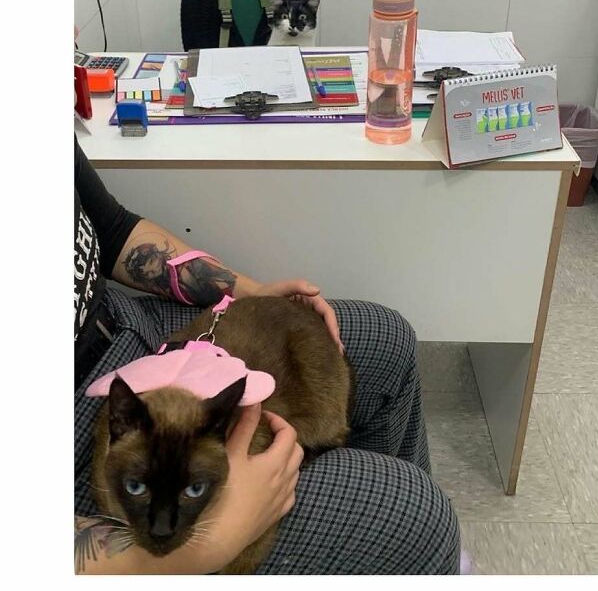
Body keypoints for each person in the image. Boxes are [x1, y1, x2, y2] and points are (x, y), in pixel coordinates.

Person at [74, 136, 461, 574]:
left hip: (125, 328)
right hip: (82, 431)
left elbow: (110, 230)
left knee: (387, 339)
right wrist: (214, 543)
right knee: (417, 518)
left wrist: (245, 292)